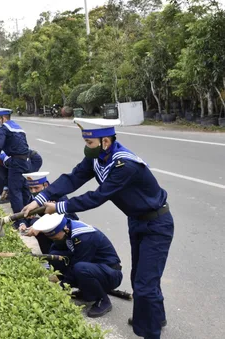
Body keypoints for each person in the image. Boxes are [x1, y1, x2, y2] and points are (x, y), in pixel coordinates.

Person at [22, 118, 173, 339]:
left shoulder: (124, 165)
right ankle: (153, 317)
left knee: (145, 282)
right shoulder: (98, 157)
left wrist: (57, 207)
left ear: (105, 141)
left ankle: (150, 331)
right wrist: (41, 199)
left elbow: (97, 197)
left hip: (156, 224)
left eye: (90, 143)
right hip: (137, 221)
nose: (86, 147)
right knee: (140, 275)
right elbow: (73, 178)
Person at [31, 213, 123, 318]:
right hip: (94, 266)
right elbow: (56, 252)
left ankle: (103, 300)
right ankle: (86, 291)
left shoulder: (84, 236)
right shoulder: (67, 229)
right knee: (55, 256)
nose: (54, 239)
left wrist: (62, 287)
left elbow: (76, 265)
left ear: (64, 229)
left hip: (110, 273)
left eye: (55, 237)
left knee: (80, 268)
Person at [18, 172, 79, 254]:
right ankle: (47, 256)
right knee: (33, 222)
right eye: (30, 188)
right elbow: (26, 214)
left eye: (36, 188)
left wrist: (40, 226)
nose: (33, 191)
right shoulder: (34, 198)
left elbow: (70, 218)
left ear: (45, 185)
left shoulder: (58, 196)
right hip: (48, 227)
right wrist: (22, 224)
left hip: (63, 228)